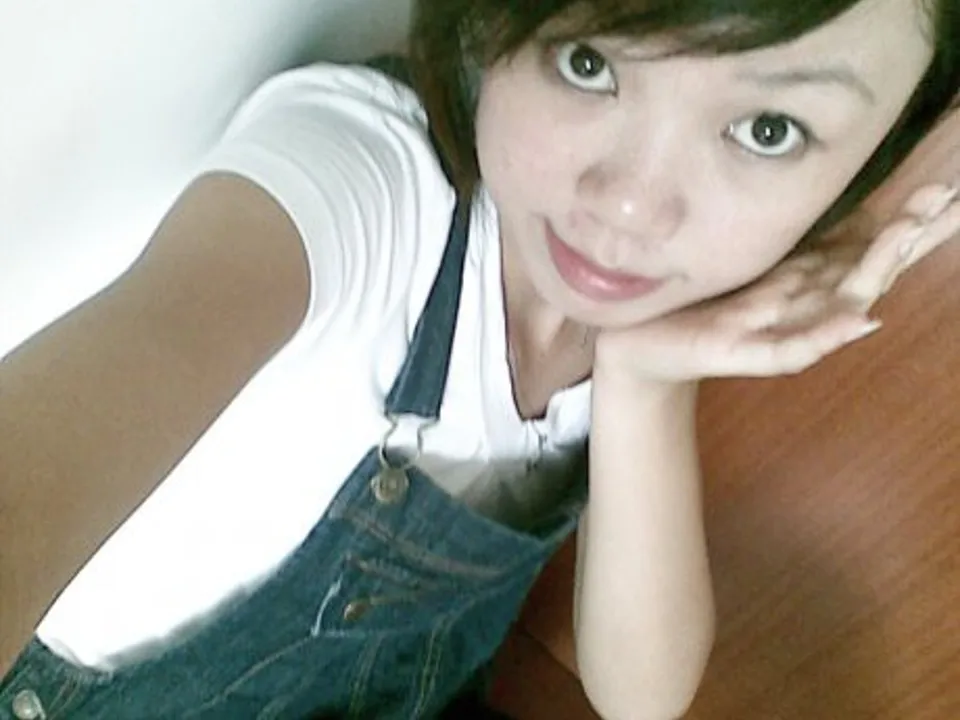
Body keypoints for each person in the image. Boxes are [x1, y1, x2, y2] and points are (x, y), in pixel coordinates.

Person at [0, 0, 957, 717]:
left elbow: (641, 698)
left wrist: (644, 383)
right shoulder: (364, 188)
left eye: (767, 130)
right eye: (588, 62)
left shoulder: (650, 303)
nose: (630, 207)